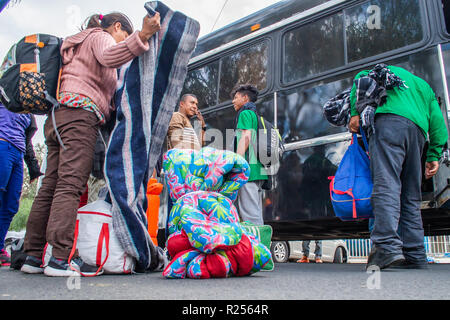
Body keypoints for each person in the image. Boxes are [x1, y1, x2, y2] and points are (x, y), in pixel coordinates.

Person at [21, 11, 161, 277]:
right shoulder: (100, 37)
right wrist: (142, 36)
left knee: (50, 186)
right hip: (79, 117)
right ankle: (60, 259)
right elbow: (111, 57)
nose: (123, 41)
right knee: (70, 185)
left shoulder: (78, 42)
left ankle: (32, 255)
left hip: (58, 118)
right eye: (124, 35)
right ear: (117, 27)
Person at [348, 65, 448, 270]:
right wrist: (433, 155)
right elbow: (438, 123)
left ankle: (386, 246)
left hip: (388, 123)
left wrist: (354, 112)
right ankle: (415, 254)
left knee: (386, 185)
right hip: (418, 133)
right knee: (411, 196)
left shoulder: (386, 70)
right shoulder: (424, 86)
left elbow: (360, 77)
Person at [0, 104, 43, 267]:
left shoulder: (27, 108)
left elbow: (27, 141)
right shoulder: (3, 94)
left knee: (11, 205)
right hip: (2, 145)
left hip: (17, 154)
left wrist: (33, 169)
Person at [231, 84, 268, 225]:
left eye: (236, 98)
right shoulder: (256, 116)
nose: (233, 101)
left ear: (245, 98)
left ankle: (256, 246)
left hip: (248, 171)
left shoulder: (245, 113)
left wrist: (237, 163)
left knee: (249, 215)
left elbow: (246, 136)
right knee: (256, 212)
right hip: (258, 171)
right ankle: (261, 244)